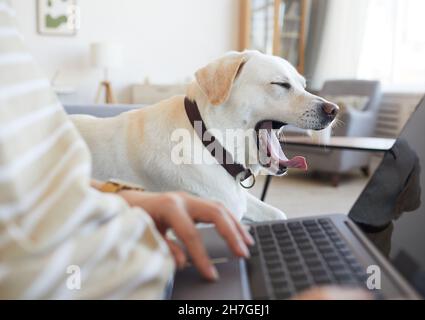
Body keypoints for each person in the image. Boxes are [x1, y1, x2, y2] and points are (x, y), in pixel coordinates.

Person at [0, 0, 369, 299]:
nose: (318, 102)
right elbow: (230, 206)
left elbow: (230, 200)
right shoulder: (167, 145)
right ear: (221, 87)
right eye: (282, 86)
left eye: (299, 86)